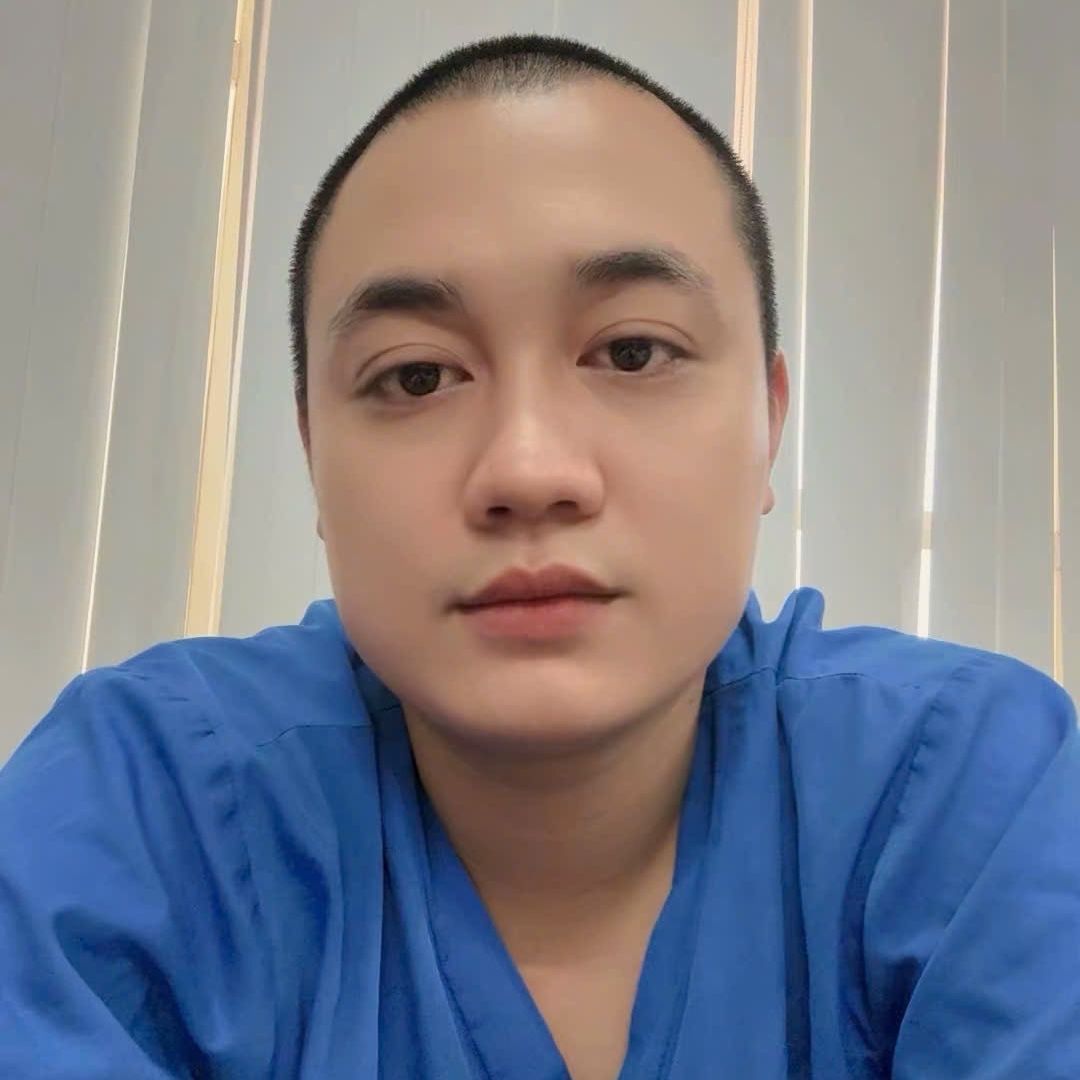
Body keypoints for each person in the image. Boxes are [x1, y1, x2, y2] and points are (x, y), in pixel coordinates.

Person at [1, 31, 1077, 1080]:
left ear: (770, 421)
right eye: (417, 376)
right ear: (313, 453)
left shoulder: (970, 796)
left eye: (633, 351)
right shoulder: (141, 809)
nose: (527, 469)